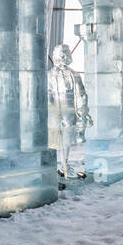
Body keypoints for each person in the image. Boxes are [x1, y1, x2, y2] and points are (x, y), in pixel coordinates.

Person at [49, 43, 92, 177]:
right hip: (54, 111)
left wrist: (82, 112)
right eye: (60, 54)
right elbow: (47, 94)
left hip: (69, 111)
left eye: (65, 53)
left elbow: (81, 94)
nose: (62, 56)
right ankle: (53, 167)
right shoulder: (49, 75)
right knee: (53, 139)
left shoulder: (74, 74)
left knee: (67, 139)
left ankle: (64, 165)